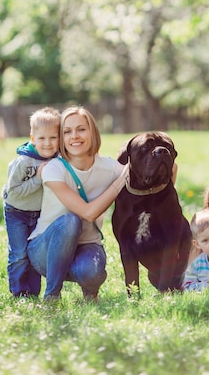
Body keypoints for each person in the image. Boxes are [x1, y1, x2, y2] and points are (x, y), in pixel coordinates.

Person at [27, 105, 128, 301]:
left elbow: (167, 170)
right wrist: (118, 185)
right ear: (61, 138)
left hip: (87, 246)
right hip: (44, 252)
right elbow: (88, 213)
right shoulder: (54, 169)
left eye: (81, 129)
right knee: (71, 221)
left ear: (93, 132)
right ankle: (51, 296)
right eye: (67, 131)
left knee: (92, 271)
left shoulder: (109, 167)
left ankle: (90, 291)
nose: (75, 136)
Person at [3, 106, 61, 297]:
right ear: (33, 138)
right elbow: (12, 193)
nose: (47, 143)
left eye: (53, 138)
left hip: (40, 214)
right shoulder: (23, 162)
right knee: (20, 255)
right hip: (17, 213)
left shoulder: (58, 160)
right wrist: (37, 179)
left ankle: (33, 293)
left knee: (34, 254)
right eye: (42, 138)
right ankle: (19, 293)